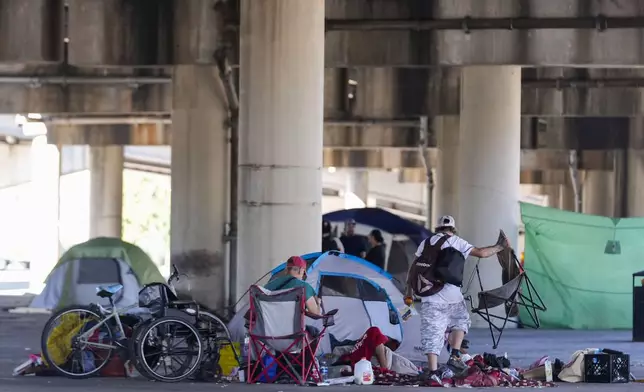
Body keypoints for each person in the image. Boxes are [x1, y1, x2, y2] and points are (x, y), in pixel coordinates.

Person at [408, 215, 508, 383]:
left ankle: (433, 371)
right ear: (453, 229)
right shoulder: (456, 241)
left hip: (430, 297)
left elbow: (414, 269)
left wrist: (408, 291)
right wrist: (500, 246)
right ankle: (454, 355)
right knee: (460, 322)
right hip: (453, 296)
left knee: (432, 333)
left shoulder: (425, 243)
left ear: (437, 228)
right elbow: (482, 253)